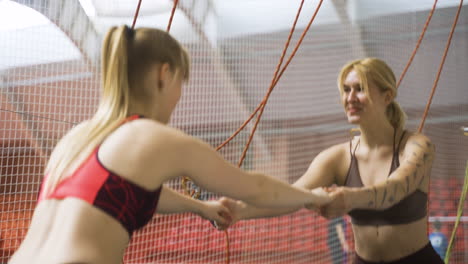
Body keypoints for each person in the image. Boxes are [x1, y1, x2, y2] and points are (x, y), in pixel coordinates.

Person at [8, 25, 331, 264]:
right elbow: (257, 188)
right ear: (164, 74)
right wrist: (311, 195)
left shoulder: (77, 137)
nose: (179, 96)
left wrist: (200, 207)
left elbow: (124, 192)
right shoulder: (151, 135)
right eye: (180, 83)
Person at [220, 58, 444, 263]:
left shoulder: (417, 146)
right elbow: (291, 195)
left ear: (387, 96)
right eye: (346, 90)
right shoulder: (337, 157)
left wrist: (350, 198)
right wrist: (239, 210)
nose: (350, 98)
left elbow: (395, 189)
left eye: (360, 89)